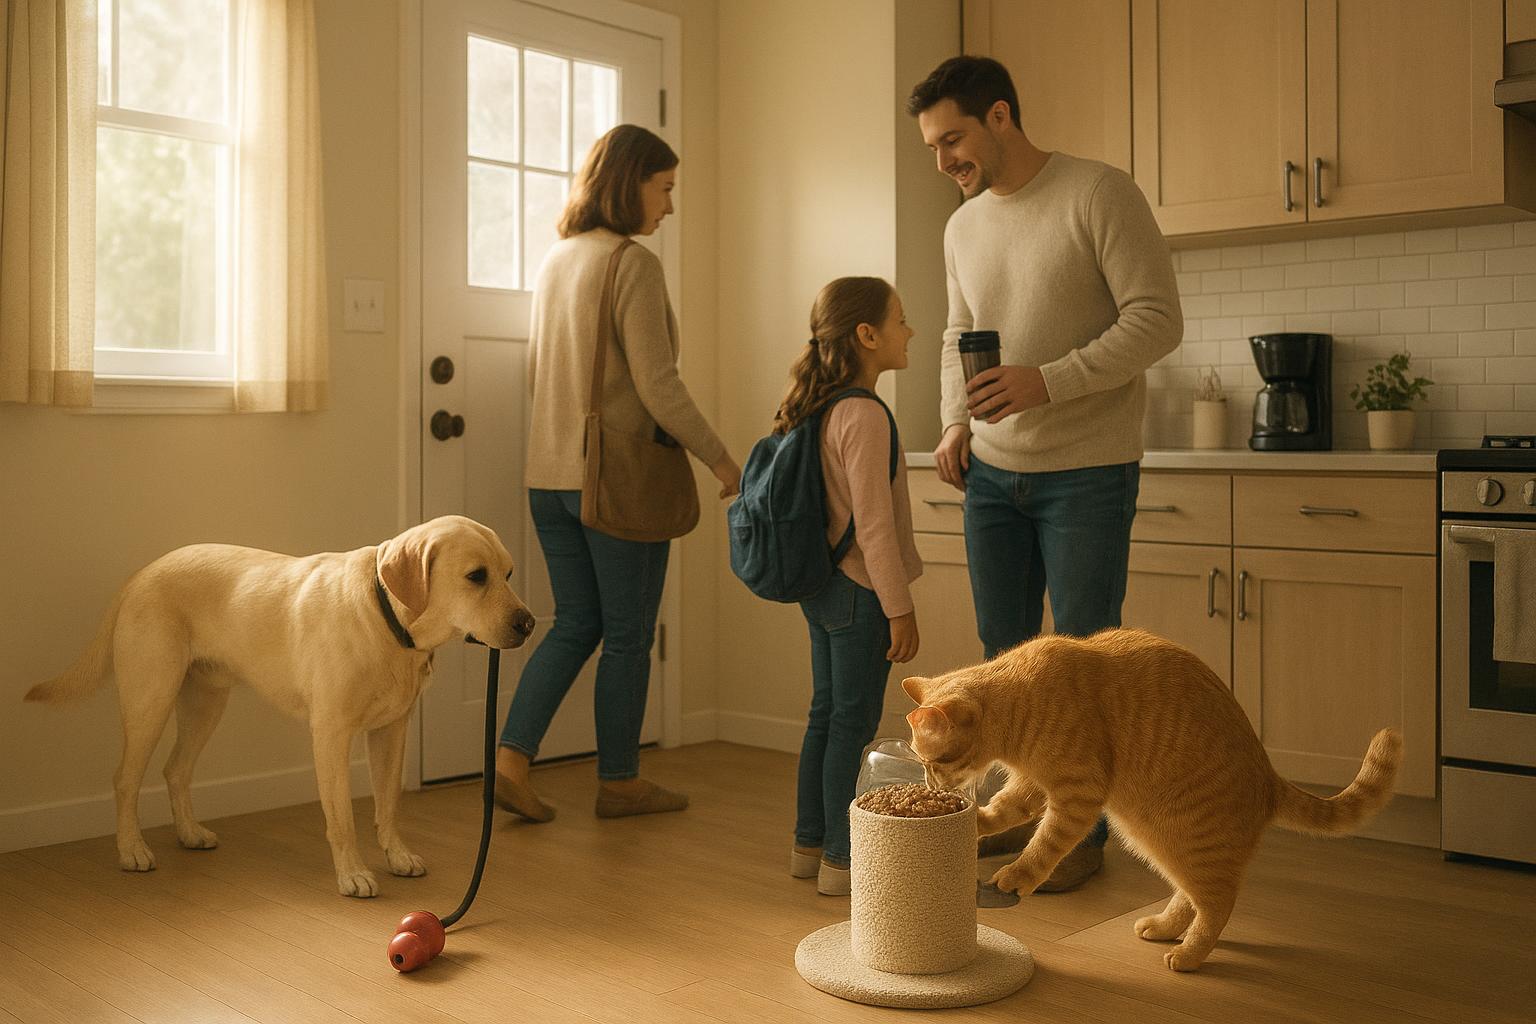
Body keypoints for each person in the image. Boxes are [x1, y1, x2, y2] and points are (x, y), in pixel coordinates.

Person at [907, 57, 1183, 889]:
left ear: (999, 116)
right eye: (931, 145)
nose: (943, 159)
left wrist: (1047, 379)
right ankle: (1017, 827)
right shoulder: (962, 227)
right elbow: (960, 335)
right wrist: (954, 421)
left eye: (951, 138)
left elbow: (1158, 321)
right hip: (991, 476)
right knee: (1004, 667)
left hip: (1088, 470)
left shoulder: (1099, 193)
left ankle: (1080, 843)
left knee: (1087, 668)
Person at [494, 124, 741, 822]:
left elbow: (542, 372)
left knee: (574, 622)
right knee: (629, 634)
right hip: (614, 477)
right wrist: (722, 458)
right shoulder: (631, 263)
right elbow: (658, 385)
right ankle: (621, 780)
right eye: (663, 188)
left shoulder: (557, 260)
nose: (668, 206)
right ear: (628, 182)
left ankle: (512, 759)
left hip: (548, 476)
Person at [780, 277, 925, 897]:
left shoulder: (821, 406)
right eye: (900, 319)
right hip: (861, 590)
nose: (909, 330)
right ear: (867, 336)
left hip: (823, 588)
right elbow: (875, 528)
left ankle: (808, 846)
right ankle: (843, 859)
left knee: (825, 717)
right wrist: (900, 609)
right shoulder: (863, 413)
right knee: (852, 725)